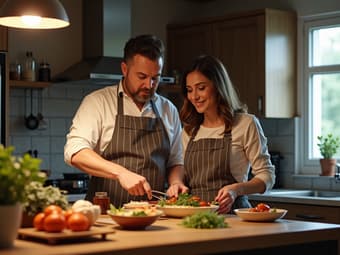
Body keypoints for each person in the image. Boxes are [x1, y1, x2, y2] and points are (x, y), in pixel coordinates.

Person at [64, 34, 188, 207]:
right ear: (124, 69)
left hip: (155, 215)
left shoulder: (168, 109)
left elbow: (175, 161)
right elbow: (76, 152)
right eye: (142, 76)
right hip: (106, 214)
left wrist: (176, 182)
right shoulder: (98, 102)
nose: (149, 85)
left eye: (155, 78)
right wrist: (121, 173)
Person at [180, 55, 275, 214]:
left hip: (234, 217)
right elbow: (182, 176)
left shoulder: (245, 124)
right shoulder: (189, 130)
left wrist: (236, 190)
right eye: (189, 90)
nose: (194, 96)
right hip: (194, 218)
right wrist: (177, 185)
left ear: (218, 87)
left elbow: (267, 176)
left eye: (201, 88)